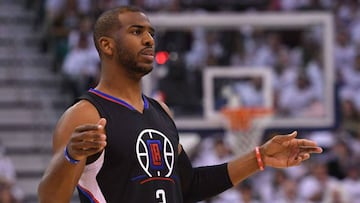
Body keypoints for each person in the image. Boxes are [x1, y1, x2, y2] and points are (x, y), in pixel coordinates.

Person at [37, 5, 323, 203]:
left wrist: (259, 157)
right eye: (136, 32)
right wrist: (71, 156)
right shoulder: (85, 113)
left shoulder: (162, 112)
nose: (149, 39)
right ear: (107, 45)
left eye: (151, 32)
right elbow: (50, 198)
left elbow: (189, 186)